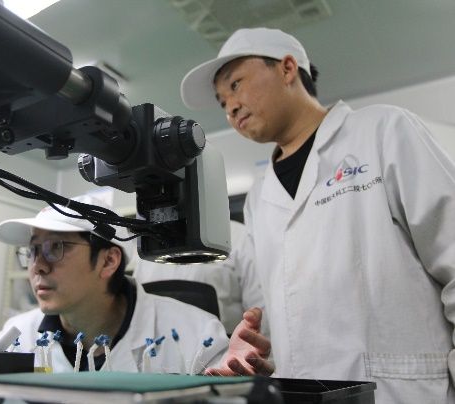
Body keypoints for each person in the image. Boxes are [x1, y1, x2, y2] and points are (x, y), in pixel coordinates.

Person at [180, 27, 455, 403]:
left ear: (287, 68)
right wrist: (265, 348)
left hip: (405, 392)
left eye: (236, 84)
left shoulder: (384, 131)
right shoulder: (260, 196)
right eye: (222, 100)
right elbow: (294, 307)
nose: (230, 107)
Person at [0, 194, 229, 374]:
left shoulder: (198, 335)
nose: (38, 266)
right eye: (33, 250)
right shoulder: (16, 335)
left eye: (56, 247)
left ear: (108, 261)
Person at [133, 220, 266, 333]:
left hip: (224, 350)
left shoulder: (239, 237)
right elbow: (139, 308)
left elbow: (259, 313)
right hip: (160, 349)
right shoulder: (148, 245)